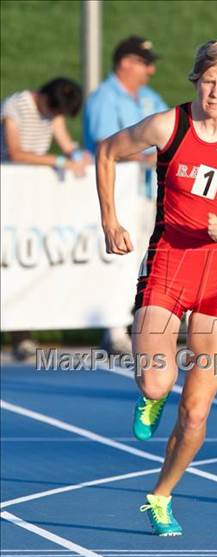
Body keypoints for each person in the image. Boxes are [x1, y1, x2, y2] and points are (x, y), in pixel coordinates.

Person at [95, 39, 217, 536]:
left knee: (196, 413)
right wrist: (110, 221)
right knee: (158, 381)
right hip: (167, 267)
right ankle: (150, 396)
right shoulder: (167, 125)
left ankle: (160, 496)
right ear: (196, 80)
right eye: (209, 82)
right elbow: (107, 152)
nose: (216, 93)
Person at [84, 35, 168, 355]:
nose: (151, 70)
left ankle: (142, 323)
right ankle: (114, 327)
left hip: (148, 193)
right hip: (119, 193)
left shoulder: (148, 97)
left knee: (149, 260)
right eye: (146, 63)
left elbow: (169, 135)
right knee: (119, 258)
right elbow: (106, 147)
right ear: (126, 63)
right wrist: (147, 156)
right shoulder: (103, 98)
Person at [1, 77, 91, 361]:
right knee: (9, 261)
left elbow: (66, 144)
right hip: (8, 192)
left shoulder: (53, 111)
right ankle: (19, 333)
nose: (54, 118)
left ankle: (23, 332)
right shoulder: (15, 108)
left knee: (25, 259)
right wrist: (61, 162)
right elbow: (16, 153)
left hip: (28, 198)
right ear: (44, 99)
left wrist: (79, 157)